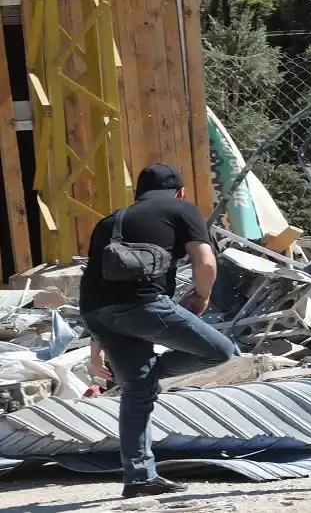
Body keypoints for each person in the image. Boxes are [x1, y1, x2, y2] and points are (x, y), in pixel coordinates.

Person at [81, 164, 238, 499]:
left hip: (96, 313)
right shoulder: (182, 209)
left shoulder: (109, 221)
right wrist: (201, 295)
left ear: (137, 195)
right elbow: (206, 261)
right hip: (142, 305)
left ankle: (139, 478)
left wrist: (96, 348)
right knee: (221, 350)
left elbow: (94, 280)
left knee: (137, 390)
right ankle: (148, 377)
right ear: (179, 192)